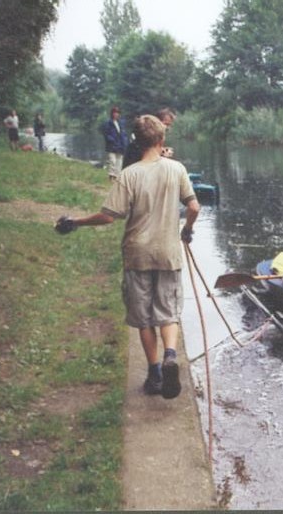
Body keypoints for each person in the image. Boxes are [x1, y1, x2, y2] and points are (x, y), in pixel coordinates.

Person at [55, 114, 201, 399]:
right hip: (168, 253)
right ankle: (171, 353)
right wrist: (187, 229)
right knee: (168, 313)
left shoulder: (129, 175)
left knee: (144, 317)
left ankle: (155, 372)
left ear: (135, 140)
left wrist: (76, 222)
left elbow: (109, 217)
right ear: (161, 140)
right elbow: (194, 206)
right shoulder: (177, 169)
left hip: (137, 255)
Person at [101, 106, 129, 181]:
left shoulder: (121, 123)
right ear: (112, 113)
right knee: (112, 161)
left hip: (120, 145)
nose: (116, 114)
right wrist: (112, 140)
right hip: (112, 145)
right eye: (115, 113)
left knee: (119, 161)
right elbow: (106, 134)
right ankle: (111, 175)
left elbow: (123, 134)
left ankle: (117, 176)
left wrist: (125, 143)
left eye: (117, 113)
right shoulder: (108, 123)